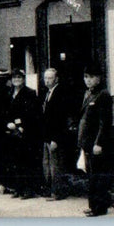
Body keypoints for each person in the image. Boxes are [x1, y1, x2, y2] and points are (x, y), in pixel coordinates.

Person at [78, 62, 113, 217]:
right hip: (88, 143)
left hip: (96, 144)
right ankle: (93, 205)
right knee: (92, 175)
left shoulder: (103, 95)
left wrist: (99, 143)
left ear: (99, 78)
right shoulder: (89, 94)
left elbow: (104, 122)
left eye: (91, 77)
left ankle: (99, 207)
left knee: (98, 176)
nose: (88, 80)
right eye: (86, 77)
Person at [40, 67, 76, 201]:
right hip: (47, 136)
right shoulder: (47, 93)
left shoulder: (60, 93)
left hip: (55, 137)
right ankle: (50, 190)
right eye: (45, 78)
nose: (47, 81)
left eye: (50, 78)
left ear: (56, 79)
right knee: (48, 164)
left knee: (56, 166)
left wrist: (56, 138)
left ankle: (58, 192)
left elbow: (60, 119)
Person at [5, 68, 41, 199]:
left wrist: (20, 125)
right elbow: (7, 112)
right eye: (14, 78)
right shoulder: (9, 93)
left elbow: (32, 113)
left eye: (19, 78)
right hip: (12, 132)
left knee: (27, 161)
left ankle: (28, 189)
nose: (16, 80)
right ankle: (18, 188)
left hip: (26, 132)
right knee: (15, 160)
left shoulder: (30, 93)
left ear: (23, 79)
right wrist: (9, 123)